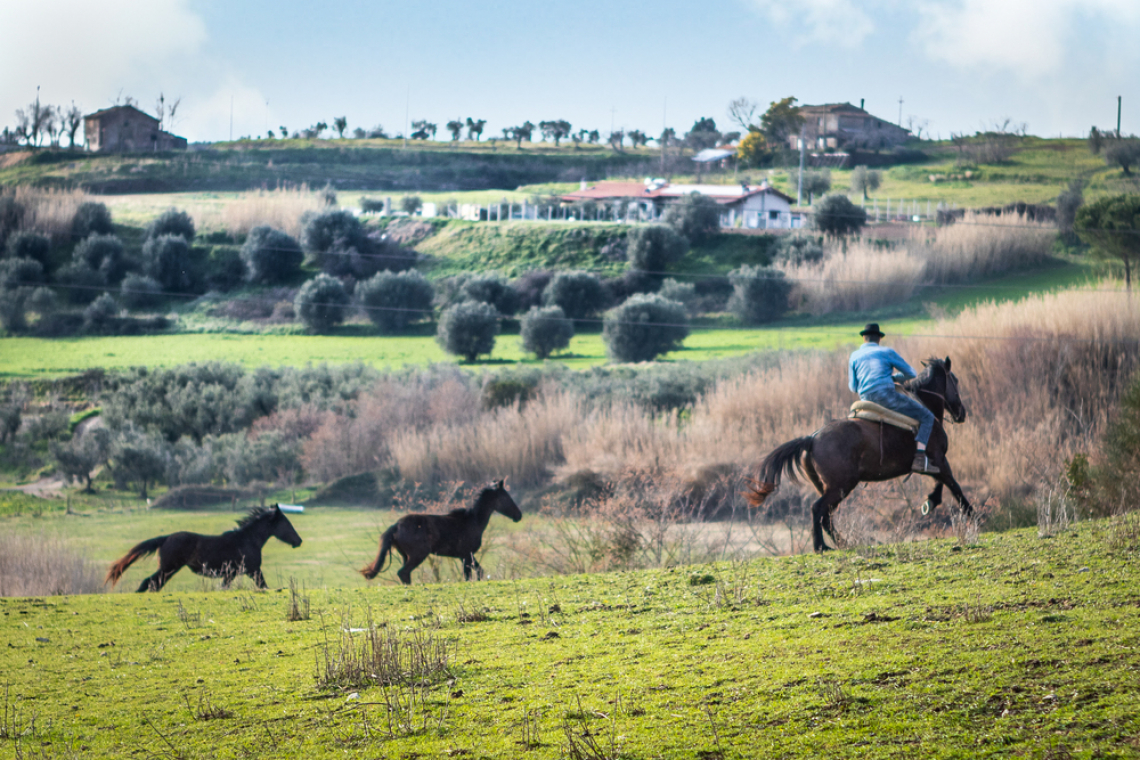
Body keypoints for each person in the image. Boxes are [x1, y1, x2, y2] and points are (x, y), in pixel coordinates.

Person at [848, 323, 939, 474]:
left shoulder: (854, 356)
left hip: (865, 401)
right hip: (886, 397)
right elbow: (911, 373)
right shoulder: (887, 352)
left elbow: (853, 387)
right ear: (879, 339)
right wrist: (894, 378)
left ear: (864, 339)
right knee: (927, 416)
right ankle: (919, 459)